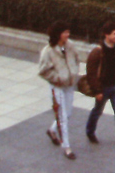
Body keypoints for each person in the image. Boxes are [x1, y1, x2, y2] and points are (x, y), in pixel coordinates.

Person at [37, 21, 81, 160]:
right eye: (65, 32)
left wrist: (73, 73)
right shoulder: (48, 51)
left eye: (68, 32)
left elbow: (76, 60)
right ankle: (67, 147)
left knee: (67, 113)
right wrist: (58, 78)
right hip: (57, 86)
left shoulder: (70, 46)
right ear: (58, 34)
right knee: (62, 116)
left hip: (69, 84)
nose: (68, 35)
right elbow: (43, 71)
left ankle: (52, 130)